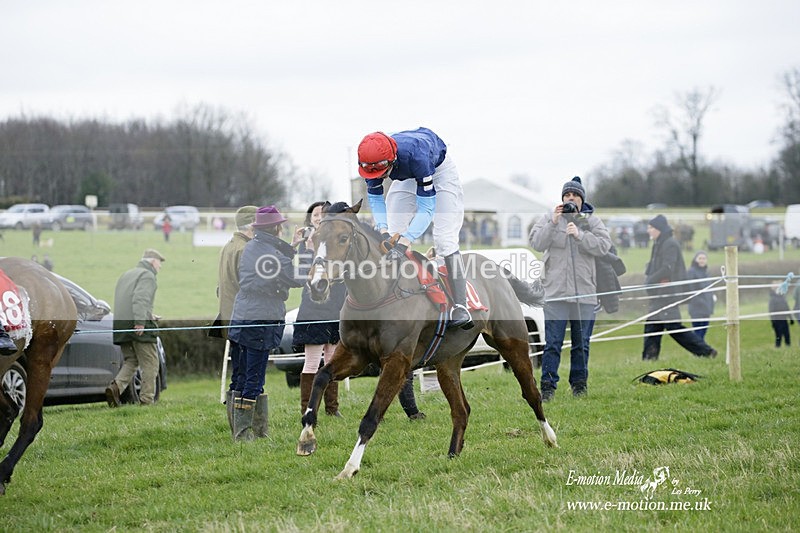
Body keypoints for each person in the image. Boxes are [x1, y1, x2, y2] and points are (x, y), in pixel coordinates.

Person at [357, 127, 473, 330]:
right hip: (407, 175)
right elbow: (375, 199)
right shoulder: (372, 161)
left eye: (381, 172)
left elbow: (427, 208)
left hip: (437, 171)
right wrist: (384, 230)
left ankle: (461, 306)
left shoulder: (417, 156)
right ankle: (392, 298)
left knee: (444, 239)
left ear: (390, 161)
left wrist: (407, 240)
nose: (379, 177)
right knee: (392, 233)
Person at [529, 177, 612, 401]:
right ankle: (547, 388)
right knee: (553, 344)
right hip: (555, 294)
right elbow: (536, 242)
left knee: (581, 345)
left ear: (582, 199)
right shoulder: (550, 217)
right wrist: (553, 223)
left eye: (574, 195)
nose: (570, 199)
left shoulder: (592, 221)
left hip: (584, 294)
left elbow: (604, 246)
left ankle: (579, 387)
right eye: (567, 195)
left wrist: (581, 235)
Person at [227, 205, 304, 441]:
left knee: (240, 376)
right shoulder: (271, 254)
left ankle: (252, 431)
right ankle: (245, 434)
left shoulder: (253, 246)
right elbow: (294, 277)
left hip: (241, 316)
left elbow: (277, 261)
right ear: (276, 227)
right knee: (255, 377)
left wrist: (293, 247)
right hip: (261, 319)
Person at [293, 201, 347, 417]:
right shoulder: (308, 243)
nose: (318, 217)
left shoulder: (333, 241)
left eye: (322, 214)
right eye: (315, 214)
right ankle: (307, 407)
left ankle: (332, 408)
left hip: (334, 307)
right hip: (314, 309)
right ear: (310, 218)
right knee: (313, 361)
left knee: (332, 360)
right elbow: (304, 274)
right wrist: (306, 250)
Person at [641, 215, 718, 361]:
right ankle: (648, 359)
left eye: (651, 227)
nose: (648, 230)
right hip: (660, 293)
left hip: (668, 293)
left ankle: (706, 352)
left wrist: (651, 280)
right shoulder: (658, 243)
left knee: (674, 328)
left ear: (659, 229)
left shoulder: (670, 244)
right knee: (653, 326)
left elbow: (668, 268)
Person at [213, 205, 257, 432]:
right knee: (247, 376)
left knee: (238, 374)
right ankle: (243, 429)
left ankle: (238, 426)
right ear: (252, 225)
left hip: (231, 321)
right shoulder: (247, 249)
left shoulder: (228, 247)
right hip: (246, 321)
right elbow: (249, 286)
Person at [105, 249, 166, 407]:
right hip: (137, 326)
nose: (160, 267)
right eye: (160, 263)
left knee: (131, 360)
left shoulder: (127, 274)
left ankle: (115, 387)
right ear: (153, 261)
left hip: (121, 326)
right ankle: (146, 400)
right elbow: (140, 298)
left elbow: (129, 300)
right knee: (151, 362)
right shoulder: (147, 275)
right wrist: (140, 321)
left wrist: (149, 315)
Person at [686, 251, 715, 340]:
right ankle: (699, 350)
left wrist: (712, 300)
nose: (702, 261)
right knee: (698, 331)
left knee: (704, 330)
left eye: (704, 258)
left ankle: (701, 349)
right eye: (700, 258)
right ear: (695, 259)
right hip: (697, 307)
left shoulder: (706, 272)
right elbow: (690, 290)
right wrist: (700, 301)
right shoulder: (691, 272)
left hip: (707, 307)